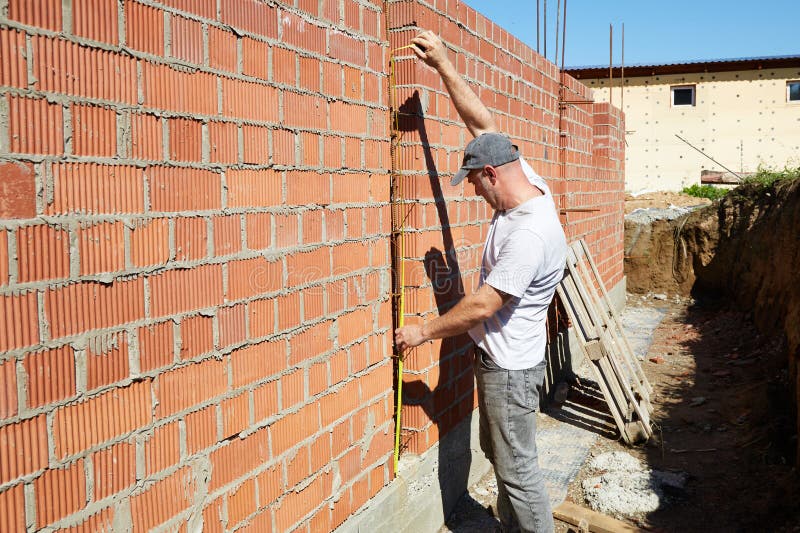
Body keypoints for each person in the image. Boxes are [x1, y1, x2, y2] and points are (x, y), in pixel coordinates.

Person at [394, 30, 568, 533]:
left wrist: (422, 332)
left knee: (518, 471)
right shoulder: (526, 181)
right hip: (509, 359)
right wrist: (444, 64)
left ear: (492, 173)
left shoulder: (529, 234)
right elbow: (482, 123)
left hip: (509, 368)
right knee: (501, 451)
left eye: (473, 181)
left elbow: (484, 305)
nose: (472, 190)